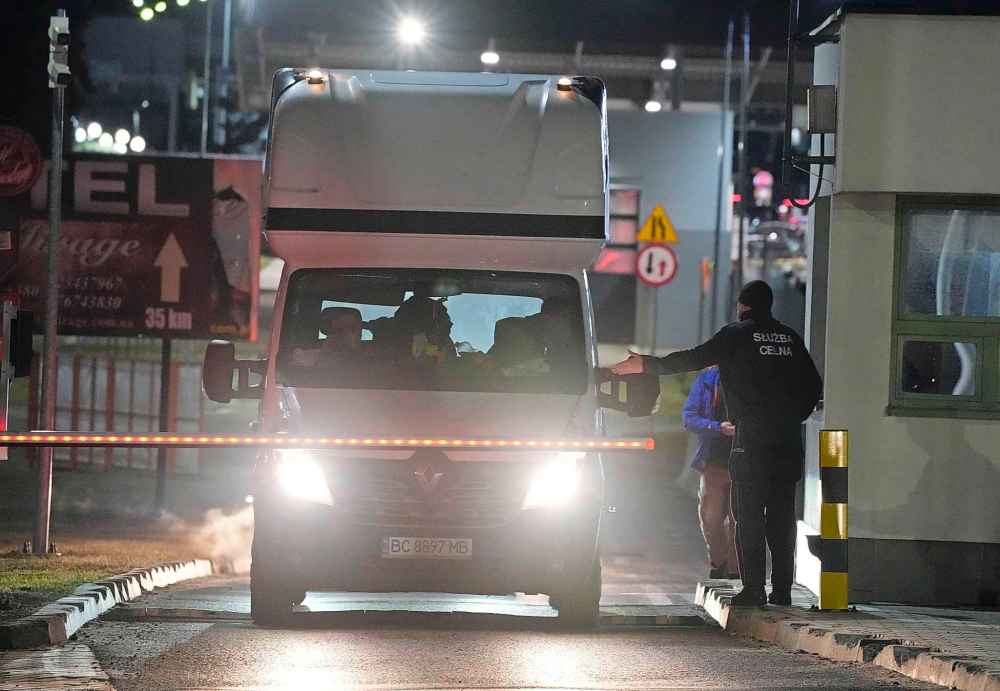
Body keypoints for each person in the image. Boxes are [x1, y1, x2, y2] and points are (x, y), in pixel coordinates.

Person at [611, 280, 822, 607]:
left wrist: (646, 364)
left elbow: (693, 358)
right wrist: (793, 416)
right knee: (781, 514)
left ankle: (753, 589)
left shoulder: (736, 335)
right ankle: (781, 590)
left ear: (742, 306)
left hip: (750, 436)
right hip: (788, 438)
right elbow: (813, 386)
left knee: (748, 513)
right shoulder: (791, 338)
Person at [683, 366, 739, 580]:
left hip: (744, 463)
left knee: (739, 521)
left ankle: (734, 572)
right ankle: (719, 562)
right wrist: (717, 427)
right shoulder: (708, 379)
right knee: (711, 517)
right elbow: (689, 418)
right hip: (714, 462)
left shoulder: (754, 375)